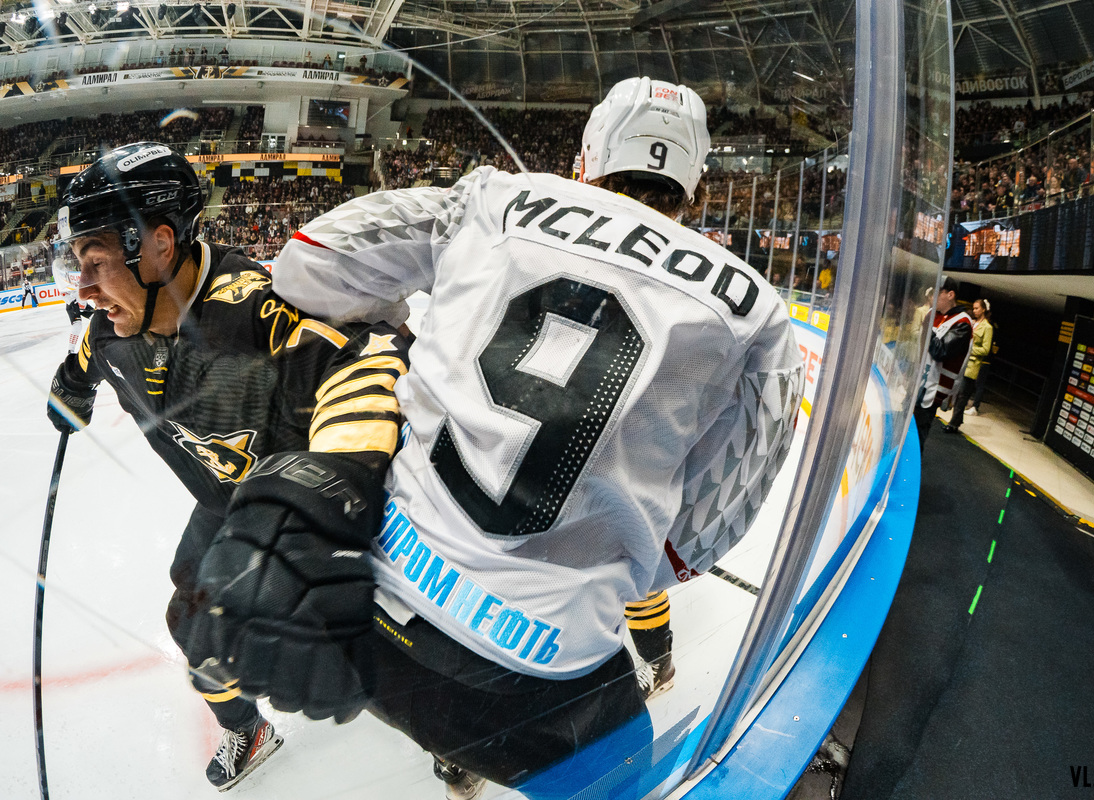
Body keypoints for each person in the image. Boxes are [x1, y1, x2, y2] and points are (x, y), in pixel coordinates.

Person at [186, 77, 803, 798]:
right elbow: (713, 520)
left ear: (587, 157)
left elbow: (309, 262)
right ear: (695, 187)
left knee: (429, 711)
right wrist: (611, 563)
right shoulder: (757, 313)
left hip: (375, 603)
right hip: (548, 671)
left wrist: (409, 344)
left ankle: (450, 754)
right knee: (623, 782)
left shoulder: (496, 198)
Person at [44, 142, 407, 792]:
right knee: (191, 622)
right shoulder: (110, 334)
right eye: (77, 265)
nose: (84, 289)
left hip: (311, 502)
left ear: (158, 246)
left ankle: (448, 735)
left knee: (361, 633)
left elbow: (366, 357)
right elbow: (87, 357)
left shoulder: (252, 309)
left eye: (95, 263)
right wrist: (72, 385)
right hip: (227, 501)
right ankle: (250, 728)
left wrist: (329, 486)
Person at [912, 276, 972, 448]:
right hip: (919, 382)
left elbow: (940, 351)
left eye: (937, 293)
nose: (932, 298)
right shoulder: (933, 314)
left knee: (918, 434)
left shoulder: (962, 323)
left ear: (950, 295)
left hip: (934, 388)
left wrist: (928, 328)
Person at [945, 297, 993, 433]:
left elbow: (986, 349)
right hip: (962, 362)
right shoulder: (972, 323)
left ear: (983, 309)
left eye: (977, 308)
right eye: (973, 308)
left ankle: (953, 423)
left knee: (962, 395)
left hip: (972, 365)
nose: (974, 310)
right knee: (958, 393)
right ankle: (956, 421)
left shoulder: (987, 327)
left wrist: (969, 349)